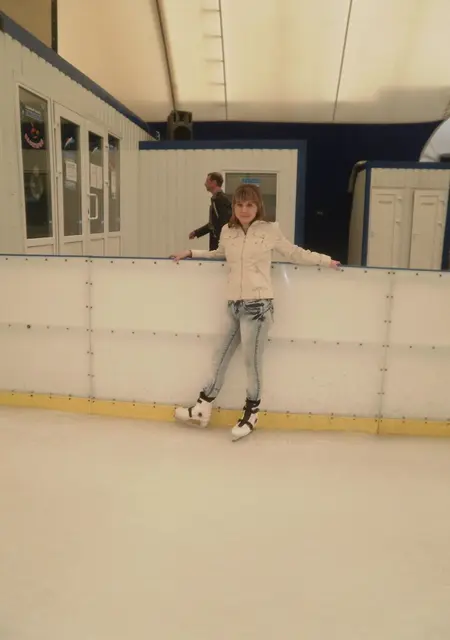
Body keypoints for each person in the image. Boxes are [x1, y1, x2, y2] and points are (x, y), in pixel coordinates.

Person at [172, 184, 340, 441]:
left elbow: (294, 253)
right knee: (220, 357)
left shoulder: (270, 230)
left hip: (258, 307)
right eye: (239, 205)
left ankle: (251, 413)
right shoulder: (228, 230)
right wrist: (191, 252)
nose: (244, 210)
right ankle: (202, 407)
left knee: (252, 364)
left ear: (258, 206)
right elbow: (220, 253)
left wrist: (325, 260)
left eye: (249, 205)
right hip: (234, 305)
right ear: (234, 207)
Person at [189, 172, 232, 250]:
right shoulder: (216, 199)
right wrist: (197, 232)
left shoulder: (220, 199)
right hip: (217, 243)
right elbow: (213, 224)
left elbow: (224, 222)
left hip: (220, 244)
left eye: (207, 181)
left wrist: (221, 241)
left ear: (214, 183)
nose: (205, 184)